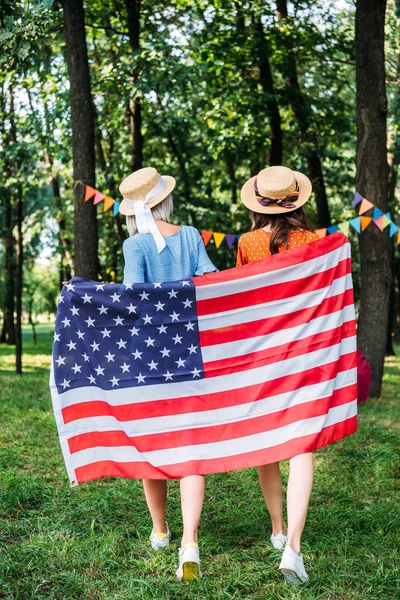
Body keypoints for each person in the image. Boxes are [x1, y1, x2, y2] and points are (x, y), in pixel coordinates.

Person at [119, 166, 217, 581]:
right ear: (166, 199)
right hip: (191, 352)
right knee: (190, 442)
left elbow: (132, 299)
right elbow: (211, 281)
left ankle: (160, 530)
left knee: (154, 444)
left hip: (149, 359)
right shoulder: (192, 235)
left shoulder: (135, 245)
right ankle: (189, 541)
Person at [237, 165, 320, 585]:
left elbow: (242, 300)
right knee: (301, 448)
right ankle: (293, 548)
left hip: (261, 356)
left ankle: (277, 528)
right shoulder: (316, 243)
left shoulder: (248, 242)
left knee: (269, 442)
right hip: (304, 354)